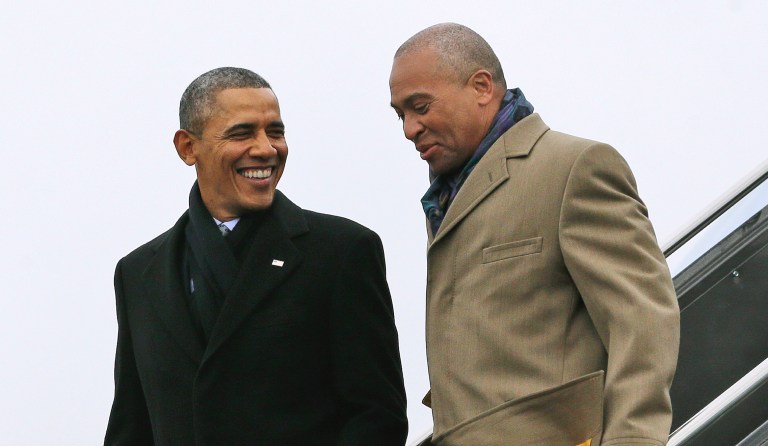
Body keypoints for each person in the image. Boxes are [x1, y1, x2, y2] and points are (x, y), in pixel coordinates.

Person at [389, 23, 680, 446]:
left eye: (420, 106)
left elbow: (643, 324)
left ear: (482, 86)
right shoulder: (446, 196)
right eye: (401, 114)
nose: (409, 128)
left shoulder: (574, 166)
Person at [104, 67, 408, 446]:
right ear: (187, 147)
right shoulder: (138, 274)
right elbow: (131, 427)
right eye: (242, 133)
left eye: (275, 132)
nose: (266, 148)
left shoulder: (341, 252)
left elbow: (377, 417)